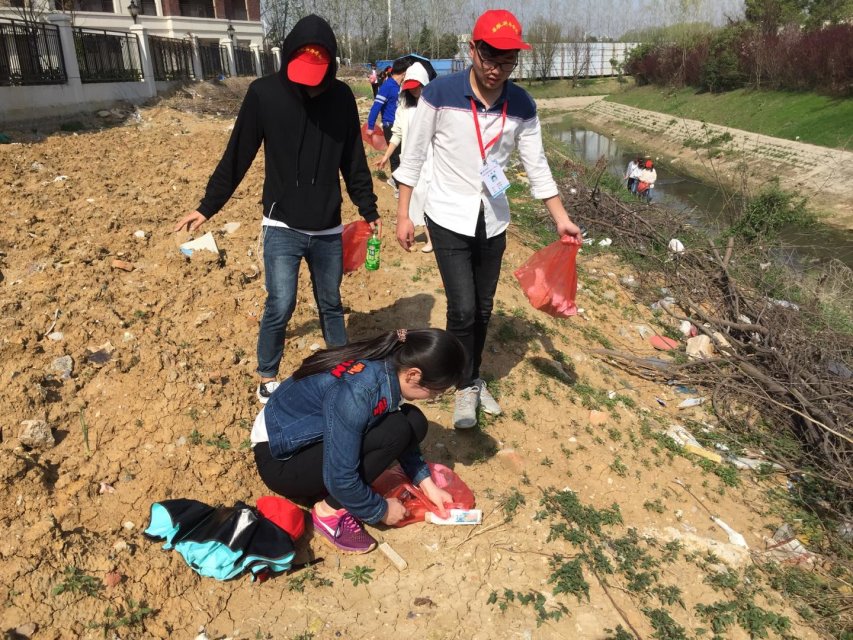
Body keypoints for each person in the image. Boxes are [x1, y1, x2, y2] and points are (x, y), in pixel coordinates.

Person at [173, 15, 380, 404]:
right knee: (280, 304)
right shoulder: (264, 94)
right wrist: (207, 207)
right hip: (281, 223)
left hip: (327, 227)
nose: (310, 84)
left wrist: (368, 207)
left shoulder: (340, 98)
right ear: (287, 58)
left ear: (331, 65)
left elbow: (353, 159)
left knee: (331, 303)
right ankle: (267, 375)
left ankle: (340, 369)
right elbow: (237, 155)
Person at [392, 10, 582, 429]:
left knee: (482, 307)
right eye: (489, 57)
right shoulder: (440, 93)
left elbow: (537, 167)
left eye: (507, 59)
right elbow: (413, 155)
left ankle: (472, 376)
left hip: (492, 218)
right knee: (461, 308)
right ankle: (463, 386)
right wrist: (404, 214)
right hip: (447, 215)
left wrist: (561, 219)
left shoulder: (522, 105)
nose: (496, 68)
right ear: (472, 50)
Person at [251, 328, 467, 554]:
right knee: (396, 430)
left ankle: (352, 492)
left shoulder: (390, 362)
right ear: (413, 375)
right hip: (282, 460)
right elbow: (340, 478)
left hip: (300, 436)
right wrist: (380, 510)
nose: (435, 397)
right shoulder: (359, 391)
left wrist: (426, 483)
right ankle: (328, 513)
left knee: (414, 421)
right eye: (437, 392)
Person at [375, 62, 434, 252]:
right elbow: (397, 133)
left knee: (426, 197)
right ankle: (416, 235)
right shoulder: (404, 106)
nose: (414, 91)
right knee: (414, 198)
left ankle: (431, 238)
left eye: (418, 87)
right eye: (411, 87)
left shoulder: (432, 106)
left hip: (430, 159)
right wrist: (386, 156)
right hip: (410, 160)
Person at [367, 57, 414, 197]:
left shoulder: (400, 87)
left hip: (401, 125)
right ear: (404, 73)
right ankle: (398, 187)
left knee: (403, 155)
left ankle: (397, 180)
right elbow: (376, 106)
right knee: (395, 157)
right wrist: (370, 125)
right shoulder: (387, 87)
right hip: (390, 126)